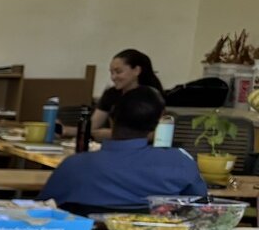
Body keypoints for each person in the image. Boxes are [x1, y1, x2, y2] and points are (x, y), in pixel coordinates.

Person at [42, 87, 207, 211]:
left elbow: (42, 209)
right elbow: (201, 208)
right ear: (157, 124)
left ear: (112, 119)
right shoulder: (179, 163)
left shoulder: (74, 166)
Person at [92, 49, 164, 135]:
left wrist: (114, 135)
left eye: (118, 72)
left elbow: (159, 134)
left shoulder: (152, 97)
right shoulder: (111, 94)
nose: (113, 77)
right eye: (111, 73)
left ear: (136, 70)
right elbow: (91, 127)